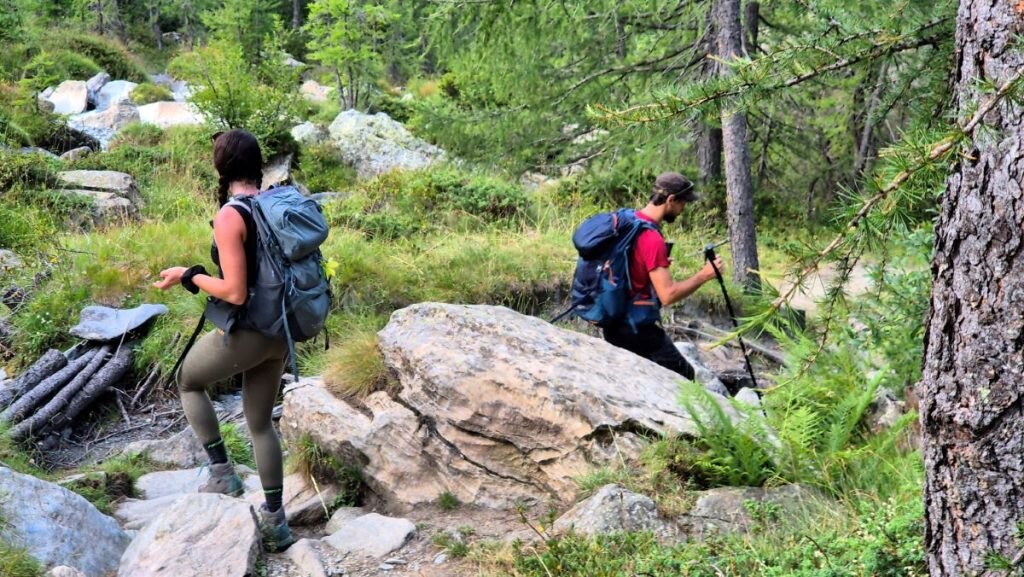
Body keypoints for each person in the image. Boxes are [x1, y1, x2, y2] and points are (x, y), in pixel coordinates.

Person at [153, 129, 295, 552]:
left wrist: (189, 275)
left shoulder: (232, 215)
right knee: (260, 424)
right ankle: (276, 524)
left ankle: (222, 474)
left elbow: (234, 291)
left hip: (250, 332)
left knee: (188, 380)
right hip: (281, 335)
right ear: (257, 163)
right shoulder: (273, 202)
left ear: (221, 167)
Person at [602, 171, 724, 380]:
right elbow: (668, 295)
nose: (683, 209)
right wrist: (704, 275)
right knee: (685, 377)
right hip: (635, 327)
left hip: (611, 320)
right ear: (670, 200)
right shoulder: (651, 238)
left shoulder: (628, 219)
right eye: (683, 203)